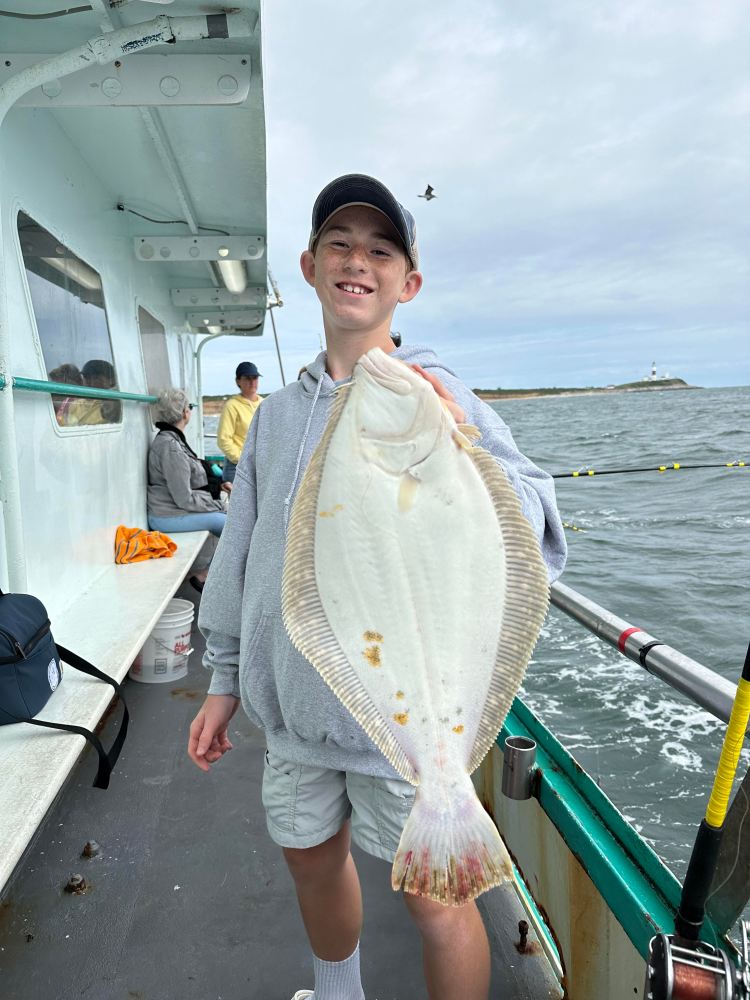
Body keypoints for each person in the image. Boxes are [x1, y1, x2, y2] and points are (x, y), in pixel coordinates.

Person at [189, 175, 567, 1000]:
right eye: (340, 245)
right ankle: (338, 993)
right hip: (292, 710)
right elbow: (245, 548)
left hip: (407, 723)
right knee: (311, 865)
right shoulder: (278, 417)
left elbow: (533, 514)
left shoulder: (437, 392)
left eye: (380, 251)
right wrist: (224, 679)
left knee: (439, 902)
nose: (357, 262)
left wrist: (462, 439)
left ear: (407, 283)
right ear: (311, 265)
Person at [147, 388, 229, 591]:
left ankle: (210, 573)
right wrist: (218, 504)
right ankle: (206, 574)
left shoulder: (172, 441)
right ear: (184, 412)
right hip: (166, 515)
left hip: (171, 510)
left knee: (230, 518)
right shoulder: (171, 447)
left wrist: (218, 489)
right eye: (190, 407)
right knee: (229, 524)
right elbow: (184, 498)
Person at [216, 361, 263, 483]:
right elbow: (223, 440)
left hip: (261, 466)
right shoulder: (232, 406)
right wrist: (242, 459)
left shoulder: (265, 404)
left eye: (255, 378)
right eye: (247, 378)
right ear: (238, 381)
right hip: (237, 468)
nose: (252, 382)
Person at [62, 359, 121, 426]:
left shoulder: (111, 404)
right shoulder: (74, 405)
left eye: (96, 378)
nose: (91, 383)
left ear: (111, 381)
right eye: (86, 377)